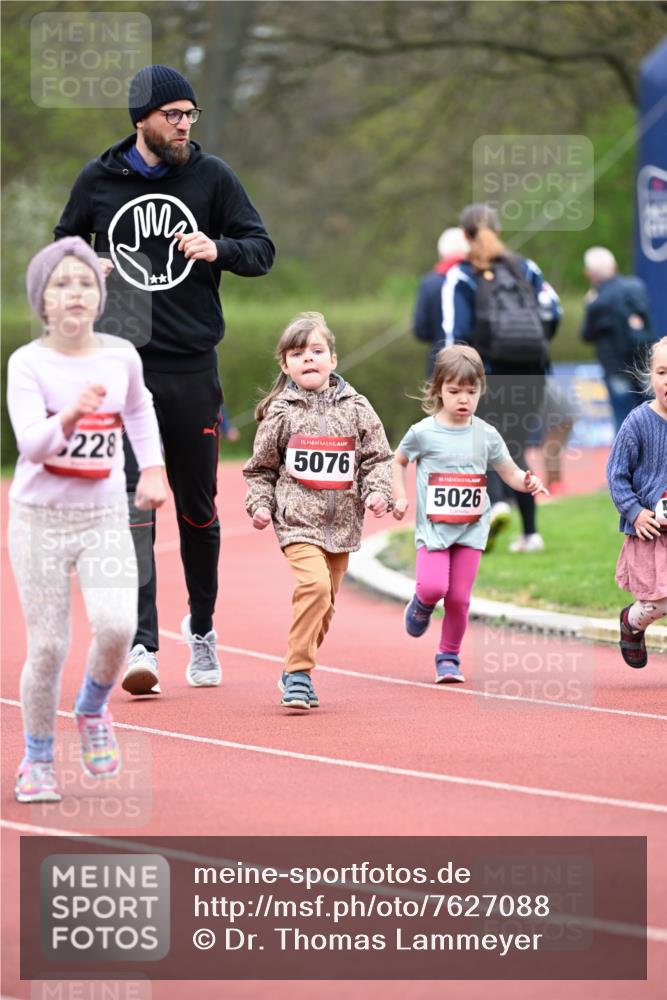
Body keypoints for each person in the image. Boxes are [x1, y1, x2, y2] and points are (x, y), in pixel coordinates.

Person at [54, 64, 275, 695]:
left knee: (198, 510)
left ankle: (201, 629)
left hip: (191, 367)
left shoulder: (211, 177)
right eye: (173, 114)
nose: (184, 125)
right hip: (122, 365)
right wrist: (82, 261)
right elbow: (61, 246)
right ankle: (142, 643)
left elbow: (261, 249)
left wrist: (218, 249)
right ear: (141, 120)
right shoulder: (98, 180)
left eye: (190, 114)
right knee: (133, 509)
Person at [7, 237, 166, 803]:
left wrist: (152, 470)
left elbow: (140, 410)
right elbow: (30, 444)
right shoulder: (27, 363)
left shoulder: (120, 354)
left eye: (83, 284)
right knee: (48, 647)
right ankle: (38, 759)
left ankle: (93, 708)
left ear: (98, 298)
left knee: (119, 625)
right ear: (42, 300)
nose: (73, 294)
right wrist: (69, 417)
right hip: (39, 520)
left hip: (102, 515)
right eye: (60, 285)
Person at [243, 312, 393, 710]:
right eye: (298, 353)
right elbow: (260, 468)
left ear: (334, 359)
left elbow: (378, 458)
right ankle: (298, 673)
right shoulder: (282, 413)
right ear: (285, 365)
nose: (308, 359)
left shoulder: (357, 408)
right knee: (314, 587)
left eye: (317, 350)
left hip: (343, 523)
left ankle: (297, 667)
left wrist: (378, 491)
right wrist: (260, 504)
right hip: (297, 522)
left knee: (325, 605)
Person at [393, 344, 547, 683]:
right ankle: (421, 603)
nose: (464, 398)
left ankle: (449, 656)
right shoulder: (423, 432)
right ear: (438, 390)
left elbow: (509, 472)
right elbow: (398, 460)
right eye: (454, 391)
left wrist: (529, 481)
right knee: (434, 587)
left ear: (481, 390)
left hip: (472, 530)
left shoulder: (487, 434)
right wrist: (400, 496)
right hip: (434, 530)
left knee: (460, 599)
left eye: (471, 391)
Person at [441, 203, 561, 553]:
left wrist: (454, 380)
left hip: (488, 372)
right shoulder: (526, 267)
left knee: (485, 444)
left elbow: (454, 335)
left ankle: (497, 505)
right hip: (532, 370)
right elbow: (554, 311)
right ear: (498, 229)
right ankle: (531, 534)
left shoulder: (461, 275)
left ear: (465, 235)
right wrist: (531, 348)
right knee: (517, 446)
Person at [606, 336, 667, 669]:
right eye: (662, 372)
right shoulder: (639, 422)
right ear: (651, 378)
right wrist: (635, 511)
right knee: (660, 600)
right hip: (650, 531)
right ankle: (632, 621)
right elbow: (616, 475)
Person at [580, 246, 656, 433]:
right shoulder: (636, 286)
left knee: (624, 422)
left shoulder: (597, 300)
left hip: (616, 368)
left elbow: (586, 335)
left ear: (589, 274)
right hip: (646, 364)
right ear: (614, 266)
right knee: (655, 418)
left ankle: (626, 462)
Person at [414, 227, 470, 375]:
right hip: (475, 366)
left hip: (438, 367)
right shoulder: (476, 280)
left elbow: (421, 331)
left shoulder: (429, 283)